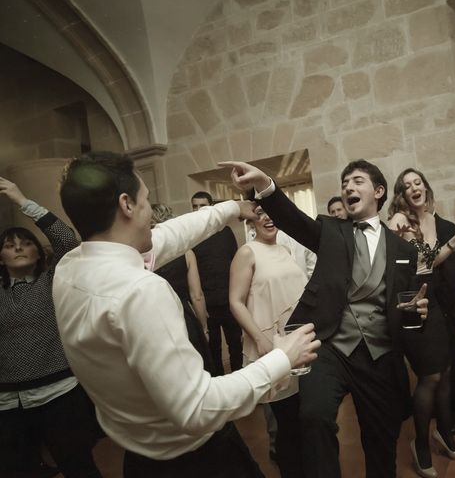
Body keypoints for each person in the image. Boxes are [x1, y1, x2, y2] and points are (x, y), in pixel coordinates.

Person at [52, 152, 320, 478]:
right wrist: (282, 358)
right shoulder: (139, 291)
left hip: (139, 459)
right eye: (146, 199)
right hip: (197, 461)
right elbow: (197, 408)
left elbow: (171, 235)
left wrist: (233, 208)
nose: (151, 210)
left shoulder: (70, 267)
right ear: (126, 205)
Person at [221, 158, 428, 478]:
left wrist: (417, 311)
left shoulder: (404, 250)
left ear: (379, 191)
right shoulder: (331, 231)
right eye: (345, 183)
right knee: (313, 418)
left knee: (381, 435)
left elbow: (404, 303)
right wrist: (264, 184)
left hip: (380, 353)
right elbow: (291, 219)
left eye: (357, 181)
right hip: (330, 347)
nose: (348, 187)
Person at [0, 176, 102, 478]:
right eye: (9, 245)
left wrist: (21, 200)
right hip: (7, 402)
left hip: (58, 393)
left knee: (80, 467)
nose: (18, 248)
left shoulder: (52, 280)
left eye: (26, 242)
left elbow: (67, 240)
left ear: (38, 252)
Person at [388, 169, 455, 477]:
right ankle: (420, 444)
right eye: (407, 185)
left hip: (435, 304)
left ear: (425, 188)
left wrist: (452, 245)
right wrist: (395, 226)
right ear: (401, 194)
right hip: (411, 302)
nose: (414, 188)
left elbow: (429, 262)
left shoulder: (436, 221)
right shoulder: (399, 221)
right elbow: (408, 264)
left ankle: (445, 434)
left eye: (418, 182)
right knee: (429, 377)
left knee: (446, 373)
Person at [229, 203, 307, 477]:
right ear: (251, 220)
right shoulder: (247, 252)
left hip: (296, 342)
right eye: (260, 213)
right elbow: (235, 302)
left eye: (271, 212)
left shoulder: (286, 250)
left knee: (303, 417)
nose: (268, 217)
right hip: (270, 345)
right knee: (285, 420)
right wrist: (259, 339)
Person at [151, 204, 213, 372]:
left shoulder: (142, 258)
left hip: (155, 320)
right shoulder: (186, 253)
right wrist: (204, 328)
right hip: (183, 316)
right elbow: (197, 295)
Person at [191, 191, 243, 375]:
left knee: (236, 345)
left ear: (211, 207)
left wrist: (239, 299)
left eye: (202, 206)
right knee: (213, 350)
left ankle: (240, 385)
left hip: (229, 302)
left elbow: (237, 265)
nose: (198, 210)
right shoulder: (191, 237)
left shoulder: (225, 232)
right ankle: (221, 389)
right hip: (206, 306)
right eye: (194, 206)